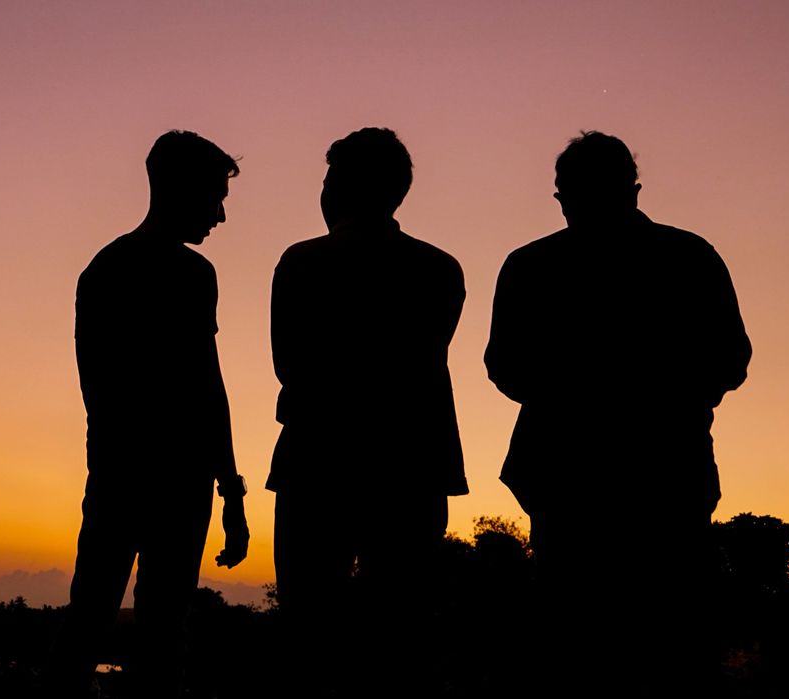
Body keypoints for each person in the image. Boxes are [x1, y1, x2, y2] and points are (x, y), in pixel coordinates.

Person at [484, 131, 751, 694]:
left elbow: (505, 368)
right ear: (632, 188)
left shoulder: (531, 266)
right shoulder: (690, 256)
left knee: (577, 640)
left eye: (564, 191)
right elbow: (731, 360)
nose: (562, 202)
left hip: (571, 476)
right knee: (668, 641)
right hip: (666, 470)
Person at [267, 127, 468, 697]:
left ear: (338, 187)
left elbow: (290, 364)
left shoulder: (302, 263)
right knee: (402, 635)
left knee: (309, 630)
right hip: (412, 465)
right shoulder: (441, 269)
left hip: (319, 463)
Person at [50, 130, 250, 699]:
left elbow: (202, 388)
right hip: (149, 478)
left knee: (103, 621)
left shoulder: (110, 269)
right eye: (215, 198)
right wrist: (227, 489)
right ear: (179, 190)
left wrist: (229, 490)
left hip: (137, 474)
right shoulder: (176, 275)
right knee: (138, 629)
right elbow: (203, 388)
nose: (220, 216)